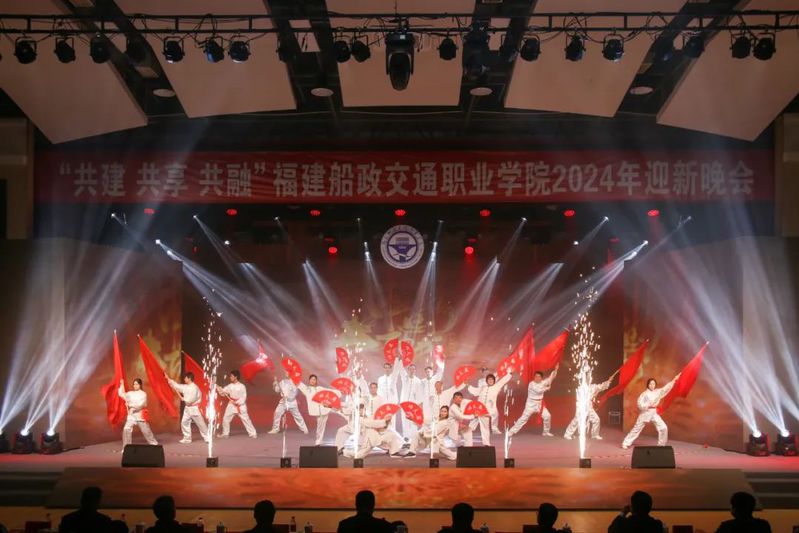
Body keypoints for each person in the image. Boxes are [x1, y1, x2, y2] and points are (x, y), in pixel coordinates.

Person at [621, 374, 680, 449]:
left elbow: (665, 389)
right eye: (651, 384)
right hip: (645, 412)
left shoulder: (657, 392)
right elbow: (639, 404)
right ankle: (625, 443)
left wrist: (674, 380)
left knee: (663, 427)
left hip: (654, 413)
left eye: (653, 384)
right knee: (636, 429)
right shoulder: (644, 394)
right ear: (648, 385)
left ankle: (661, 445)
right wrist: (647, 405)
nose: (652, 385)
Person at [563, 371, 618, 440]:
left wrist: (609, 381)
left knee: (596, 419)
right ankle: (567, 434)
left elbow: (601, 386)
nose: (588, 379)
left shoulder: (593, 386)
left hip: (588, 406)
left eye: (589, 377)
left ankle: (594, 434)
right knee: (577, 419)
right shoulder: (580, 387)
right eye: (587, 378)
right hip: (581, 405)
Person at [508, 366, 559, 438]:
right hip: (531, 404)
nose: (537, 378)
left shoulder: (543, 382)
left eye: (539, 377)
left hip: (540, 404)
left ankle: (546, 432)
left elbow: (551, 378)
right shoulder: (531, 384)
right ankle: (511, 432)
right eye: (536, 376)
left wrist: (555, 370)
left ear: (541, 378)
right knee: (523, 418)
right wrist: (547, 388)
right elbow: (538, 391)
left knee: (547, 416)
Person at [165, 371, 208, 444]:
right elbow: (177, 386)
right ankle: (187, 438)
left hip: (194, 408)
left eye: (185, 378)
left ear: (189, 378)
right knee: (184, 422)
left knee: (200, 423)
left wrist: (183, 399)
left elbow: (191, 400)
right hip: (187, 408)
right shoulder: (186, 387)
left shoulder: (194, 388)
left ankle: (207, 437)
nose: (184, 379)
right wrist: (168, 379)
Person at [216, 370, 257, 438]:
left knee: (246, 419)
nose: (230, 377)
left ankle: (253, 433)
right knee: (226, 418)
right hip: (231, 405)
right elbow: (223, 393)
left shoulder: (242, 386)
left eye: (231, 376)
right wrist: (218, 388)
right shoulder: (230, 386)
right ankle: (225, 433)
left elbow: (244, 397)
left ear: (236, 377)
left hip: (240, 405)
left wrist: (237, 402)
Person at [118, 378, 158, 446]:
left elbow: (141, 404)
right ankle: (126, 447)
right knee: (126, 429)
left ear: (140, 385)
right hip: (131, 415)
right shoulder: (130, 393)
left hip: (140, 414)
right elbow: (122, 394)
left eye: (136, 384)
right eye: (134, 384)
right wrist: (122, 384)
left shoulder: (143, 394)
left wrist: (133, 408)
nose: (135, 386)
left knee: (146, 431)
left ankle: (154, 444)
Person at [268, 370, 309, 435]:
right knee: (277, 413)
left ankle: (304, 429)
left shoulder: (296, 381)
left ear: (291, 373)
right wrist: (275, 383)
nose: (285, 373)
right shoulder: (282, 382)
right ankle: (275, 429)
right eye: (285, 372)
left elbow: (304, 389)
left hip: (292, 402)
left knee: (298, 416)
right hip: (284, 402)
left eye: (287, 372)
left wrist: (306, 393)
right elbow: (277, 390)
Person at [297, 374, 334, 444]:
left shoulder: (319, 388)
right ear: (309, 380)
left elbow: (329, 391)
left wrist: (339, 392)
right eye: (311, 379)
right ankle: (318, 440)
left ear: (316, 381)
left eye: (314, 379)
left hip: (325, 408)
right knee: (320, 426)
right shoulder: (307, 389)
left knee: (322, 425)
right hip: (317, 410)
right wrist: (292, 376)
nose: (312, 381)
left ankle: (319, 441)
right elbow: (299, 384)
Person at [399, 363, 425, 438]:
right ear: (408, 370)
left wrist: (418, 405)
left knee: (413, 421)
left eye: (413, 369)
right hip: (404, 404)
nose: (412, 371)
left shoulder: (418, 381)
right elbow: (401, 369)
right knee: (405, 421)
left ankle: (413, 438)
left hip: (413, 404)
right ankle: (406, 438)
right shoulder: (404, 377)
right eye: (410, 369)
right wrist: (399, 360)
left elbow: (420, 394)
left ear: (415, 370)